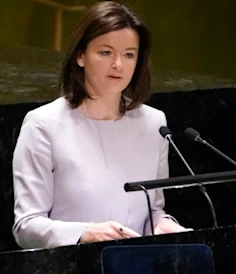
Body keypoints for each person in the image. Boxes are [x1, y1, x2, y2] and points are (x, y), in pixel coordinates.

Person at [12, 1, 189, 249]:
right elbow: (27, 226)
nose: (118, 64)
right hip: (71, 272)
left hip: (137, 270)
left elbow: (153, 211)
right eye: (106, 52)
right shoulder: (44, 125)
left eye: (129, 54)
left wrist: (163, 225)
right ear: (80, 55)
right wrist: (84, 232)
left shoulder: (153, 123)